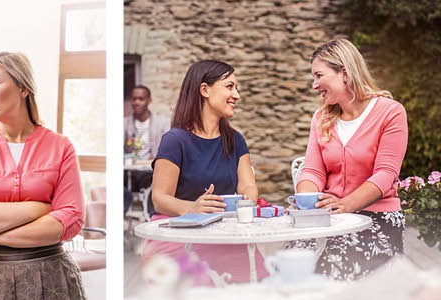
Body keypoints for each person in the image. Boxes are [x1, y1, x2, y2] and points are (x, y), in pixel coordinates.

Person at [0, 52, 85, 299]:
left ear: (23, 88)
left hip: (51, 276)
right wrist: (39, 209)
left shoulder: (60, 146)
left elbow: (71, 219)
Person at [286, 38, 408, 281]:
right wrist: (308, 203)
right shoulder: (321, 117)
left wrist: (346, 204)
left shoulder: (390, 112)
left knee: (333, 267)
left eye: (319, 75)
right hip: (329, 217)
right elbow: (312, 171)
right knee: (291, 266)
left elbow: (386, 173)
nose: (314, 85)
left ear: (343, 72)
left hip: (376, 217)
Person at [143, 60, 263, 284]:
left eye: (237, 88)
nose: (236, 95)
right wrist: (192, 208)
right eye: (229, 86)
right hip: (179, 233)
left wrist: (249, 198)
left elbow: (247, 185)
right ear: (205, 89)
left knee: (258, 282)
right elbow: (159, 199)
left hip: (224, 233)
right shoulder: (175, 140)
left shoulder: (235, 140)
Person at [124, 85, 169, 213]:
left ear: (149, 100)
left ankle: (153, 217)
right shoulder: (124, 123)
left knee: (159, 186)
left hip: (150, 171)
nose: (136, 102)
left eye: (141, 99)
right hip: (129, 171)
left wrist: (157, 157)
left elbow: (169, 148)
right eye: (134, 99)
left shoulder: (162, 123)